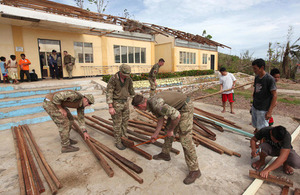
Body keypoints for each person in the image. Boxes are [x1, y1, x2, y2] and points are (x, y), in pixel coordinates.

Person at [132, 91, 201, 184]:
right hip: (176, 109)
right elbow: (160, 119)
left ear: (140, 106)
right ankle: (165, 154)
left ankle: (195, 170)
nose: (139, 110)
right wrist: (155, 134)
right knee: (167, 129)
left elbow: (177, 116)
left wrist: (171, 130)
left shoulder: (156, 104)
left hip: (185, 107)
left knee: (185, 139)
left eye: (137, 108)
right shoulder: (151, 104)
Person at [106, 64, 135, 150]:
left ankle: (124, 137)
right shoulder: (113, 79)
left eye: (127, 74)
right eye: (125, 74)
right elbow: (109, 92)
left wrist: (134, 99)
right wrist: (110, 106)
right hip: (116, 103)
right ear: (120, 71)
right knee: (117, 124)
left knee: (125, 122)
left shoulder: (128, 79)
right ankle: (118, 141)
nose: (126, 76)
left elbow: (131, 90)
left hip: (125, 103)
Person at [251, 59, 277, 133]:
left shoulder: (269, 79)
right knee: (256, 126)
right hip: (255, 106)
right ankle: (255, 139)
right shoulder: (257, 78)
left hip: (263, 108)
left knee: (263, 129)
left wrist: (269, 111)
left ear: (262, 67)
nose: (254, 70)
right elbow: (255, 90)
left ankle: (262, 144)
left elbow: (274, 95)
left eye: (255, 68)